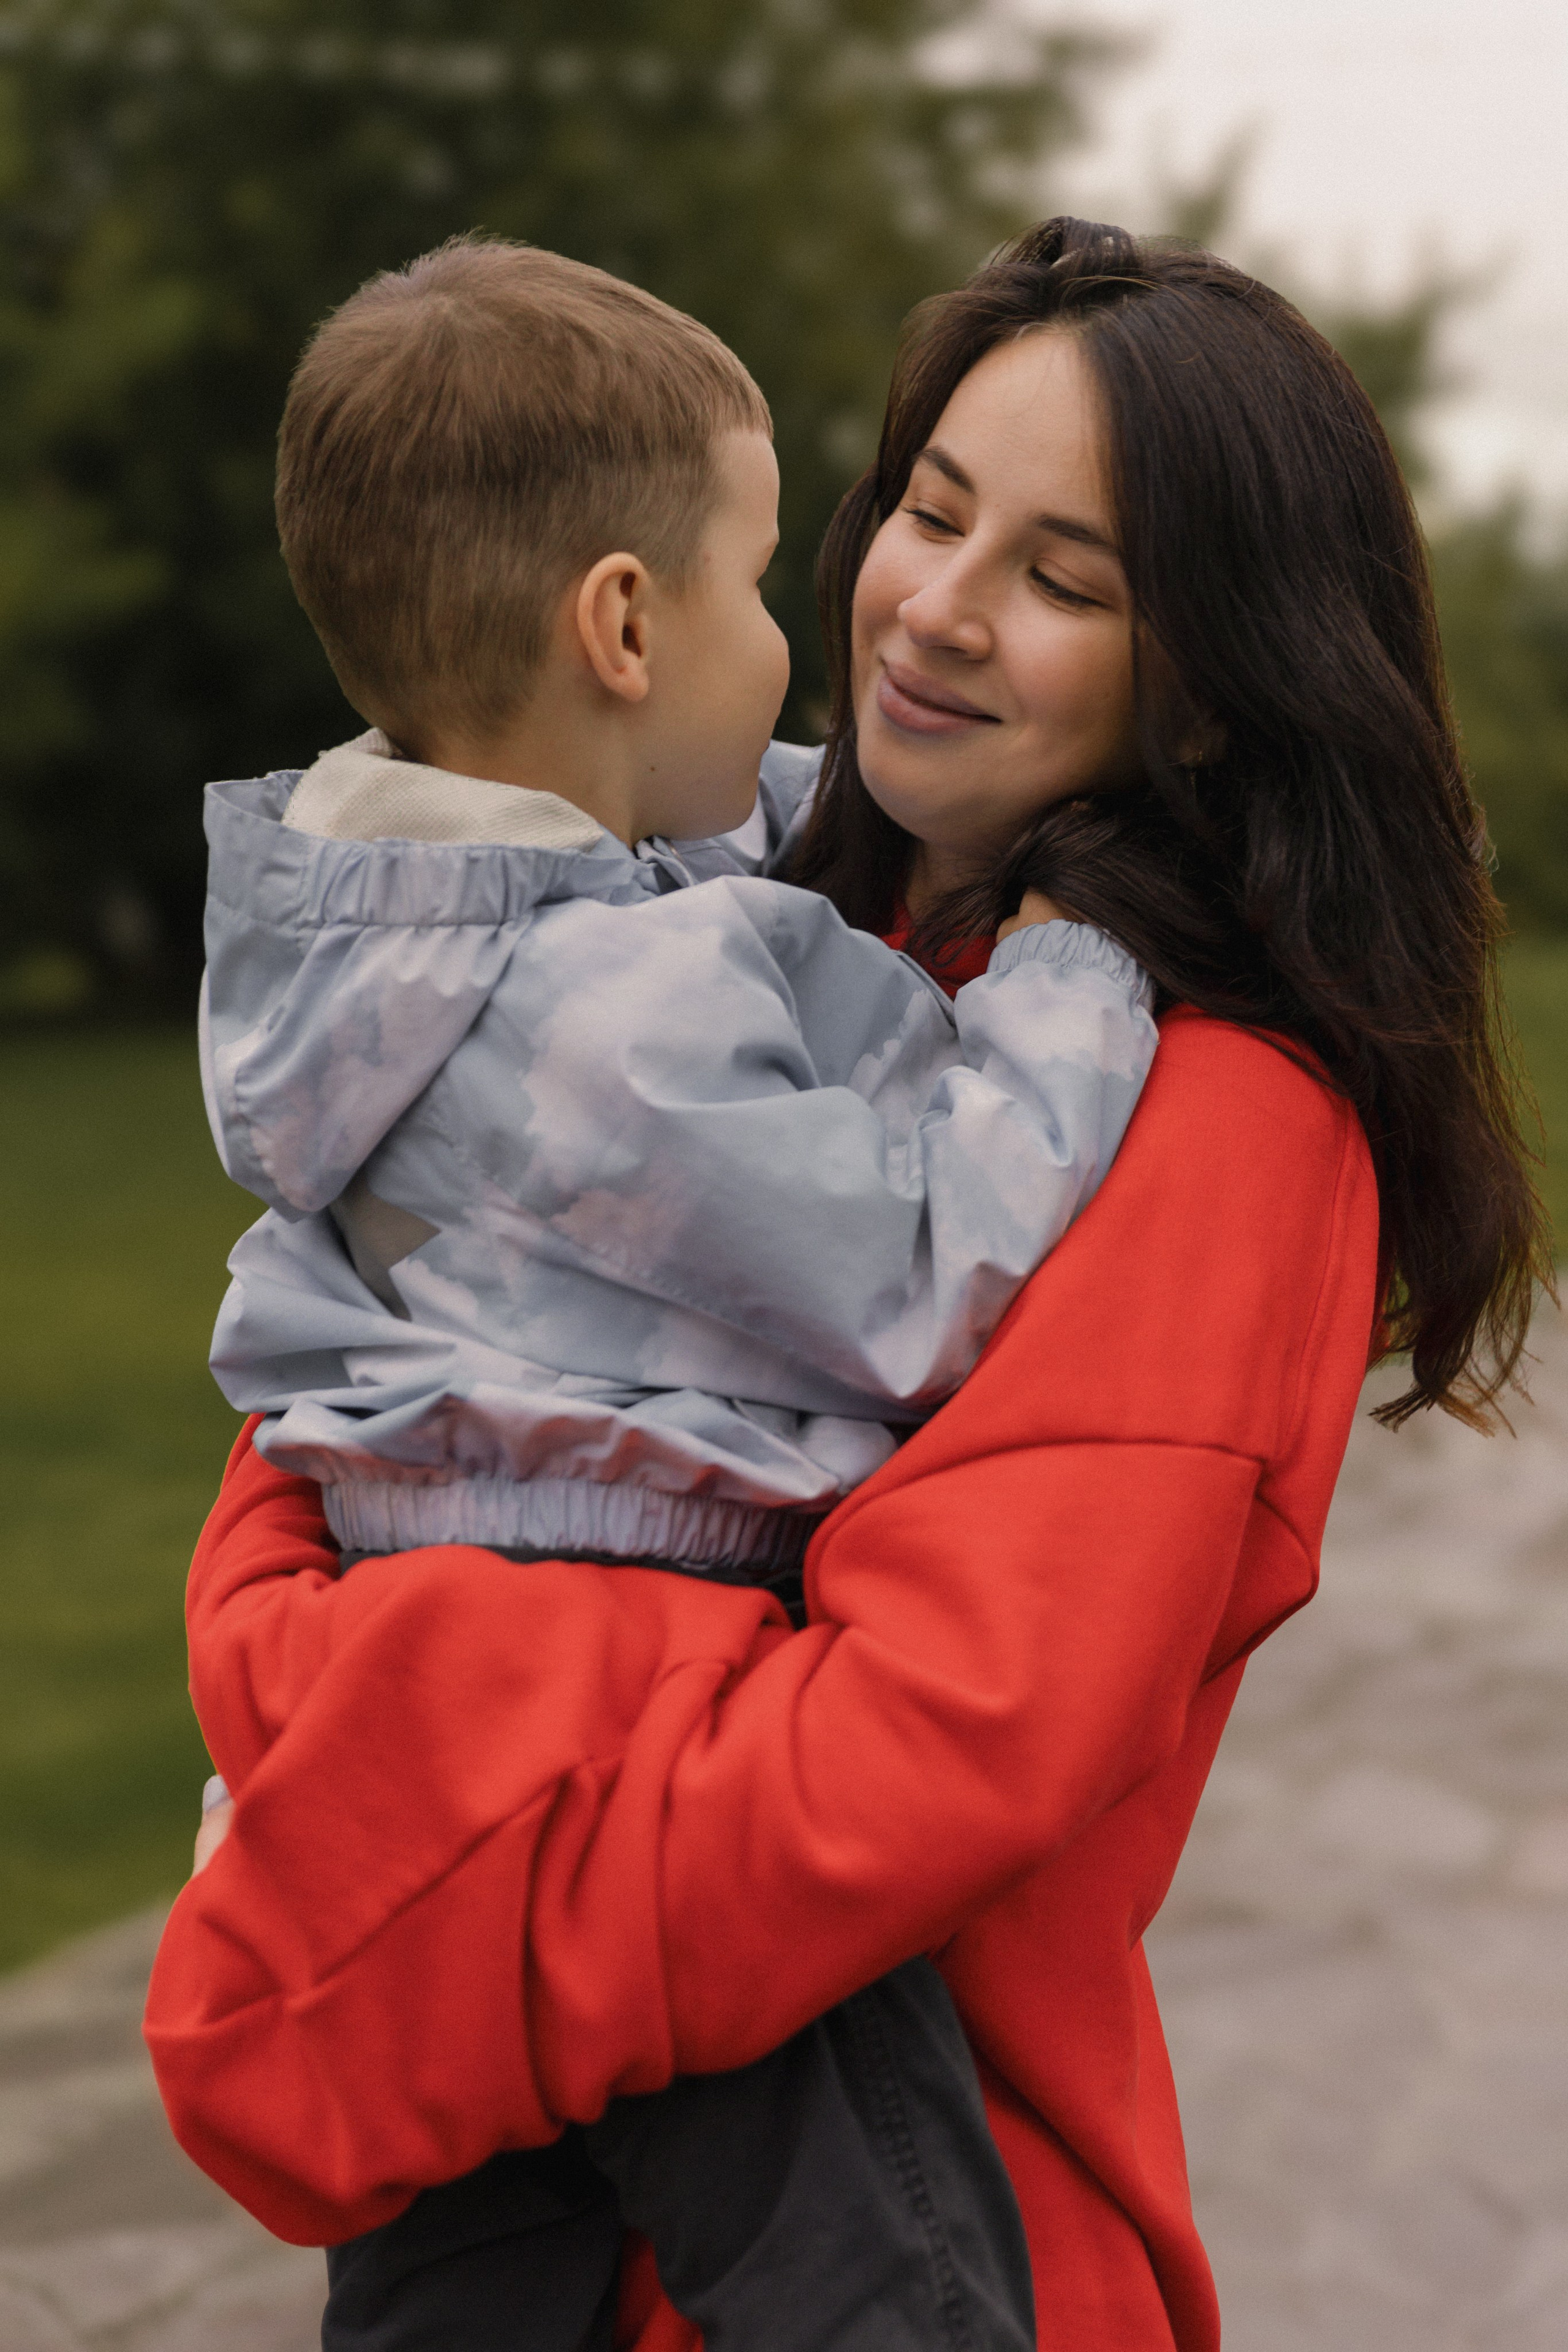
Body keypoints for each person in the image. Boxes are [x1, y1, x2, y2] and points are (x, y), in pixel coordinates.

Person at [148, 221, 1550, 2352]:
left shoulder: (1221, 1115)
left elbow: (933, 1750)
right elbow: (346, 1420)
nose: (938, 612)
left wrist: (389, 1875)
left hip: (884, 2243)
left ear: (1217, 685)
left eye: (1067, 581)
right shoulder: (759, 937)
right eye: (931, 509)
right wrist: (297, 1669)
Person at [189, 232, 1163, 2352]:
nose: (800, 651)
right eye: (748, 582)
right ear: (623, 625)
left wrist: (909, 804)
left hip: (398, 1720)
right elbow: (915, 1261)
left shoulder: (384, 913)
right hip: (623, 1706)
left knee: (462, 2288)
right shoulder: (601, 1025)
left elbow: (727, 838)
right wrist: (1085, 962)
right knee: (882, 2274)